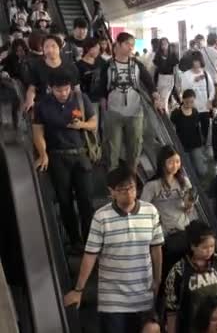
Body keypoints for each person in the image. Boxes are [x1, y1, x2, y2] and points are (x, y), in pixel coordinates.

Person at [63, 167, 164, 333]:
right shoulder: (101, 217)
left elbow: (156, 249)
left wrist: (157, 280)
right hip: (112, 299)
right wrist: (78, 289)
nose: (128, 193)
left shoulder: (150, 211)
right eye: (122, 190)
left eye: (131, 187)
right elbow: (90, 255)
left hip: (143, 294)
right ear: (111, 192)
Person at [32, 72, 96, 252]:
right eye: (59, 90)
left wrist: (81, 125)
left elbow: (93, 123)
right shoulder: (42, 105)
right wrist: (43, 153)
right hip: (58, 157)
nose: (63, 93)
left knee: (86, 200)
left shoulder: (80, 98)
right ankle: (75, 241)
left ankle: (90, 240)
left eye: (66, 89)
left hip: (81, 155)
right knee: (65, 201)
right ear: (50, 89)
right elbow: (38, 132)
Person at [98, 31, 162, 172]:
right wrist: (104, 111)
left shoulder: (137, 65)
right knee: (112, 148)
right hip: (113, 113)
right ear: (118, 45)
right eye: (127, 44)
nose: (130, 47)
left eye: (132, 45)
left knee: (135, 147)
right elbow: (102, 89)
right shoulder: (107, 66)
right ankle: (113, 180)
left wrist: (156, 97)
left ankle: (131, 177)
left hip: (135, 113)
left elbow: (149, 83)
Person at [141, 145, 194, 278]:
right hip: (165, 235)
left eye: (177, 161)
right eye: (170, 162)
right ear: (162, 163)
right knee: (169, 271)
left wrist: (189, 205)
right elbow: (143, 209)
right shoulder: (152, 185)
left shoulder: (184, 181)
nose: (175, 165)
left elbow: (188, 207)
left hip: (184, 230)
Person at [23, 35, 80, 112]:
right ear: (43, 49)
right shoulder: (37, 66)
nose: (50, 50)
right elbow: (32, 88)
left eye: (53, 46)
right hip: (45, 105)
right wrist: (30, 100)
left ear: (59, 48)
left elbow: (77, 89)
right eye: (46, 47)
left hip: (67, 106)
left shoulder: (70, 66)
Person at [171, 90, 209, 179]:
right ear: (183, 100)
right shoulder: (176, 113)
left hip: (195, 144)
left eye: (191, 102)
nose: (189, 104)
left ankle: (201, 161)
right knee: (190, 173)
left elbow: (198, 127)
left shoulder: (195, 112)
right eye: (187, 101)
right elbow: (172, 126)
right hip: (183, 145)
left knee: (202, 171)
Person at [180, 51, 214, 146]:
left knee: (205, 129)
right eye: (195, 61)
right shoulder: (186, 74)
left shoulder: (206, 74)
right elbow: (184, 90)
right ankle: (196, 148)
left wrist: (210, 100)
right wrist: (195, 80)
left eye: (198, 61)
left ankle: (203, 146)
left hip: (205, 107)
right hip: (192, 107)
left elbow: (211, 89)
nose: (197, 63)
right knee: (193, 130)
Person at [76, 37, 104, 138]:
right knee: (93, 127)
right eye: (95, 48)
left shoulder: (101, 61)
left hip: (103, 99)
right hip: (89, 101)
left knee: (104, 126)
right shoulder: (79, 65)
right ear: (88, 48)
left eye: (98, 48)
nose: (97, 50)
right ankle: (95, 150)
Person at [154, 37, 179, 112]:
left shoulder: (172, 54)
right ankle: (162, 115)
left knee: (164, 99)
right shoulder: (158, 54)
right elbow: (156, 66)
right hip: (160, 78)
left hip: (169, 78)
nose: (164, 45)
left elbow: (175, 67)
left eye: (165, 43)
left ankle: (166, 116)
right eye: (162, 44)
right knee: (161, 98)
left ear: (168, 44)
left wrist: (176, 80)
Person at [201, 32, 217, 99]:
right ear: (216, 41)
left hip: (204, 82)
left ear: (207, 40)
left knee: (206, 103)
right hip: (215, 81)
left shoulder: (200, 52)